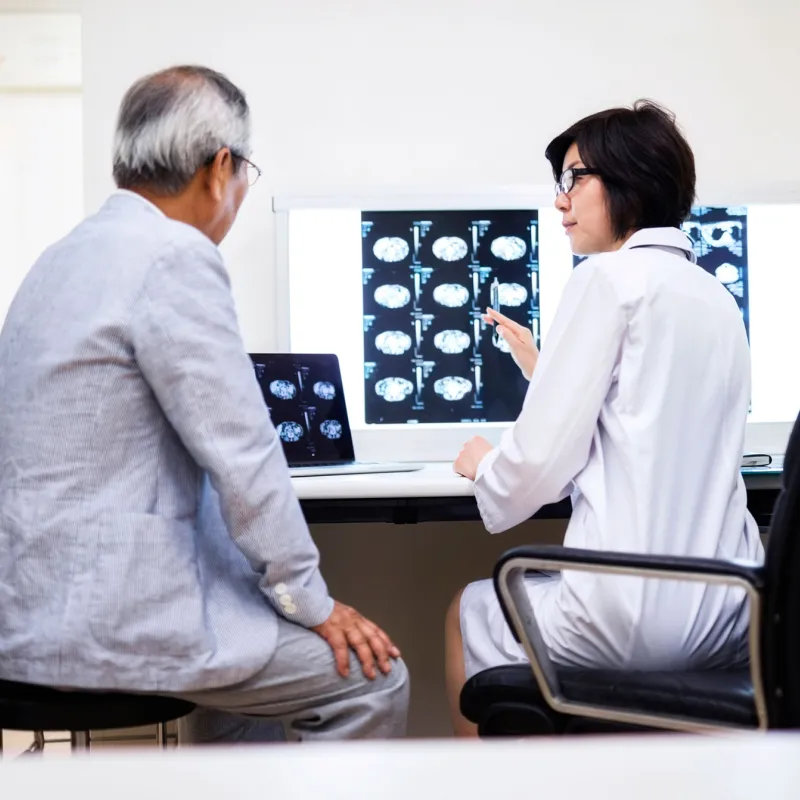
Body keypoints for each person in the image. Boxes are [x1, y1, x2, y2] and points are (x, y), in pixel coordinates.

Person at [0, 65, 408, 743]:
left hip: (28, 612)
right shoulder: (172, 255)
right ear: (221, 167)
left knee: (248, 647)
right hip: (110, 625)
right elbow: (244, 456)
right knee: (373, 679)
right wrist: (312, 602)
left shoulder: (61, 257)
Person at [445, 100, 764, 737]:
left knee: (466, 609)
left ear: (629, 180)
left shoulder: (607, 279)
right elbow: (645, 422)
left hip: (630, 616)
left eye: (573, 179)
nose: (560, 201)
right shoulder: (714, 295)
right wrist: (551, 372)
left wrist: (486, 466)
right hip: (732, 611)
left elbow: (539, 468)